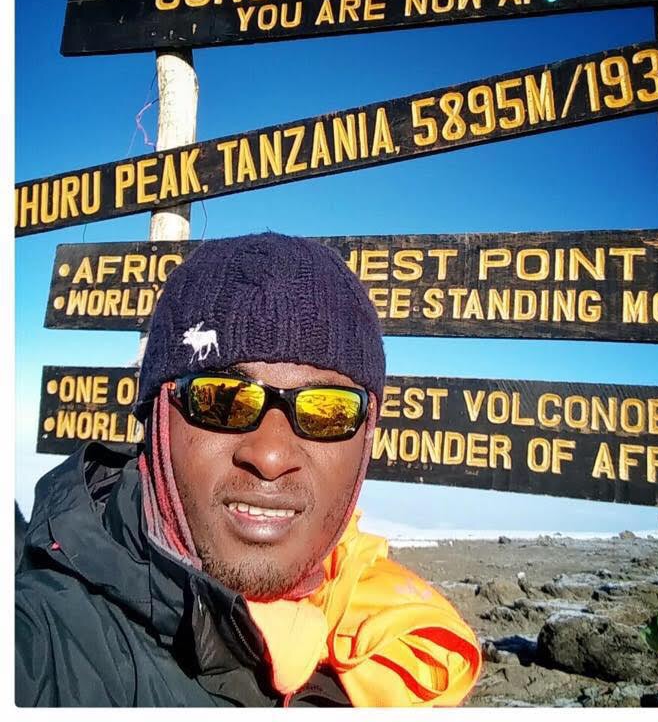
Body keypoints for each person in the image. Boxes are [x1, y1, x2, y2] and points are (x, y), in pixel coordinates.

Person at [16, 233, 482, 707]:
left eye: (327, 410)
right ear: (156, 418)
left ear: (367, 436)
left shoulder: (387, 646)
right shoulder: (41, 646)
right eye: (221, 399)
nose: (271, 455)